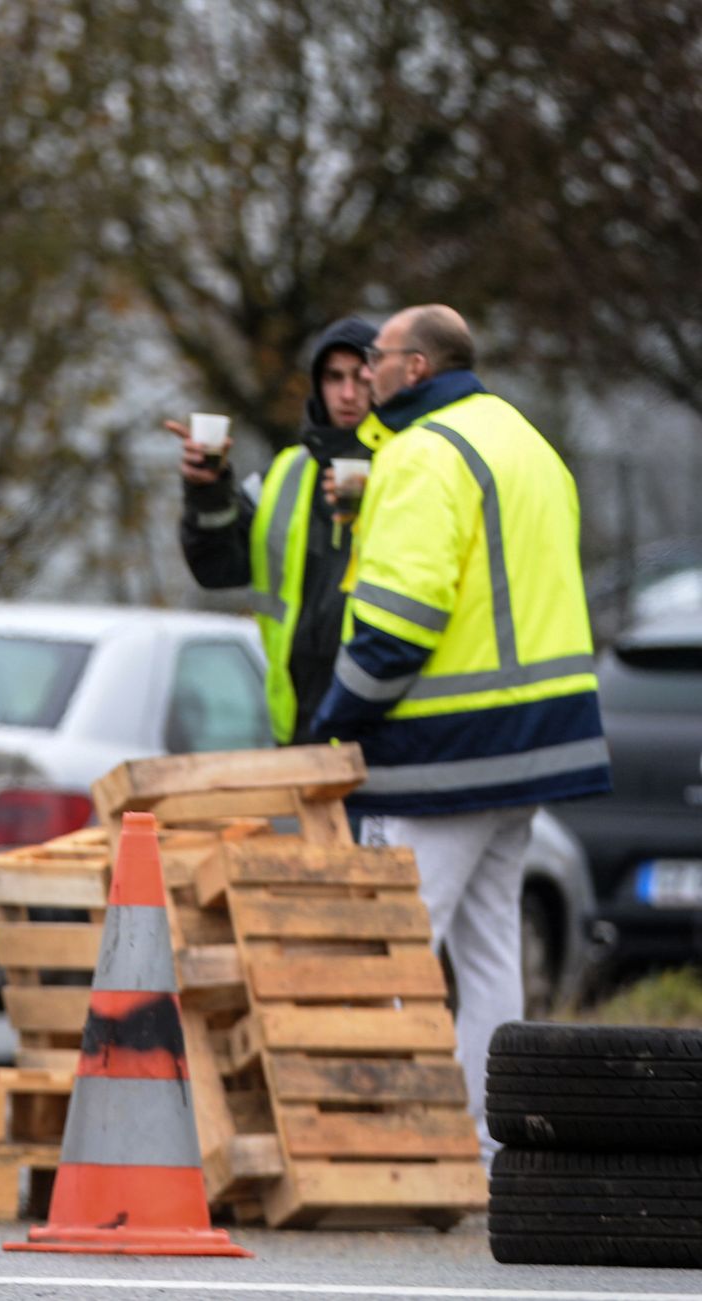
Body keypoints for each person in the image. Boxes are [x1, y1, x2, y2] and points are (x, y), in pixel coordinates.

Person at [310, 304, 610, 1167]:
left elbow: (399, 625)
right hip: (535, 741)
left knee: (399, 943)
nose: (364, 371)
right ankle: (485, 1144)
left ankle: (397, 1144)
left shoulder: (421, 454)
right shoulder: (522, 440)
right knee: (486, 951)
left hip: (443, 748)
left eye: (378, 358)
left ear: (416, 369)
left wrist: (337, 724)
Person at [171, 316, 377, 744]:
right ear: (316, 385)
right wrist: (207, 490)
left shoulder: (412, 469)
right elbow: (217, 569)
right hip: (299, 734)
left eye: (361, 378)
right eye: (334, 377)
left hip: (382, 738)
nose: (347, 394)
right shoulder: (284, 475)